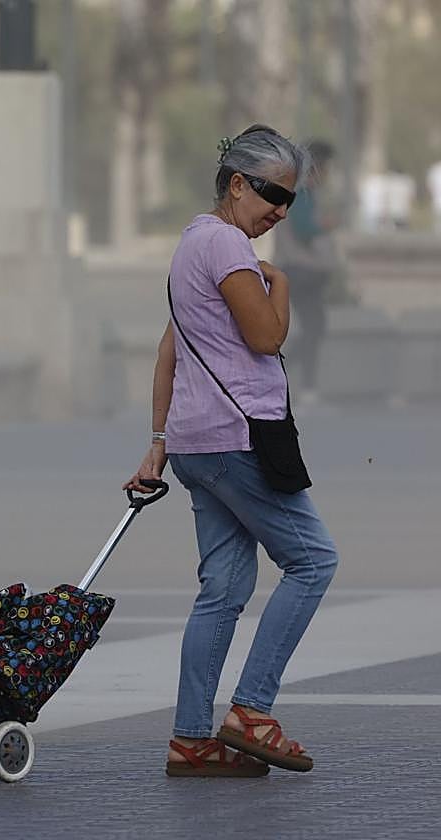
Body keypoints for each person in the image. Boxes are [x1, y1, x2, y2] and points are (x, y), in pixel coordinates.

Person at [126, 125, 339, 777]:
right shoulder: (226, 246)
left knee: (223, 588)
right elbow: (268, 337)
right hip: (238, 437)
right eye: (272, 193)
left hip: (196, 442)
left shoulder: (193, 243)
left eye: (291, 200)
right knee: (313, 560)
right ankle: (252, 711)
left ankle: (192, 739)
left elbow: (169, 354)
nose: (279, 209)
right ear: (237, 183)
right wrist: (283, 286)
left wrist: (159, 444)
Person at [274, 139, 339, 398]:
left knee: (314, 326)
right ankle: (297, 383)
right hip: (300, 270)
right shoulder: (300, 194)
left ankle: (283, 377)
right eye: (326, 168)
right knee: (313, 326)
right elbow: (303, 230)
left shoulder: (301, 193)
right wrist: (326, 225)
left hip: (303, 270)